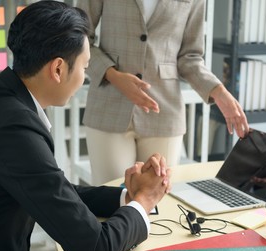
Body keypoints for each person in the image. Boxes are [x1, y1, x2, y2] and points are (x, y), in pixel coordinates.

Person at [0, 0, 171, 251]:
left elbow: (51, 187)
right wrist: (145, 199)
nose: (86, 76)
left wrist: (129, 196)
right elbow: (95, 249)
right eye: (84, 67)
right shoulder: (13, 127)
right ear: (58, 69)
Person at [76, 0, 249, 185]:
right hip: (108, 106)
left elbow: (190, 57)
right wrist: (113, 75)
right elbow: (78, 37)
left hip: (164, 111)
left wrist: (219, 91)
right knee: (110, 200)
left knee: (157, 202)